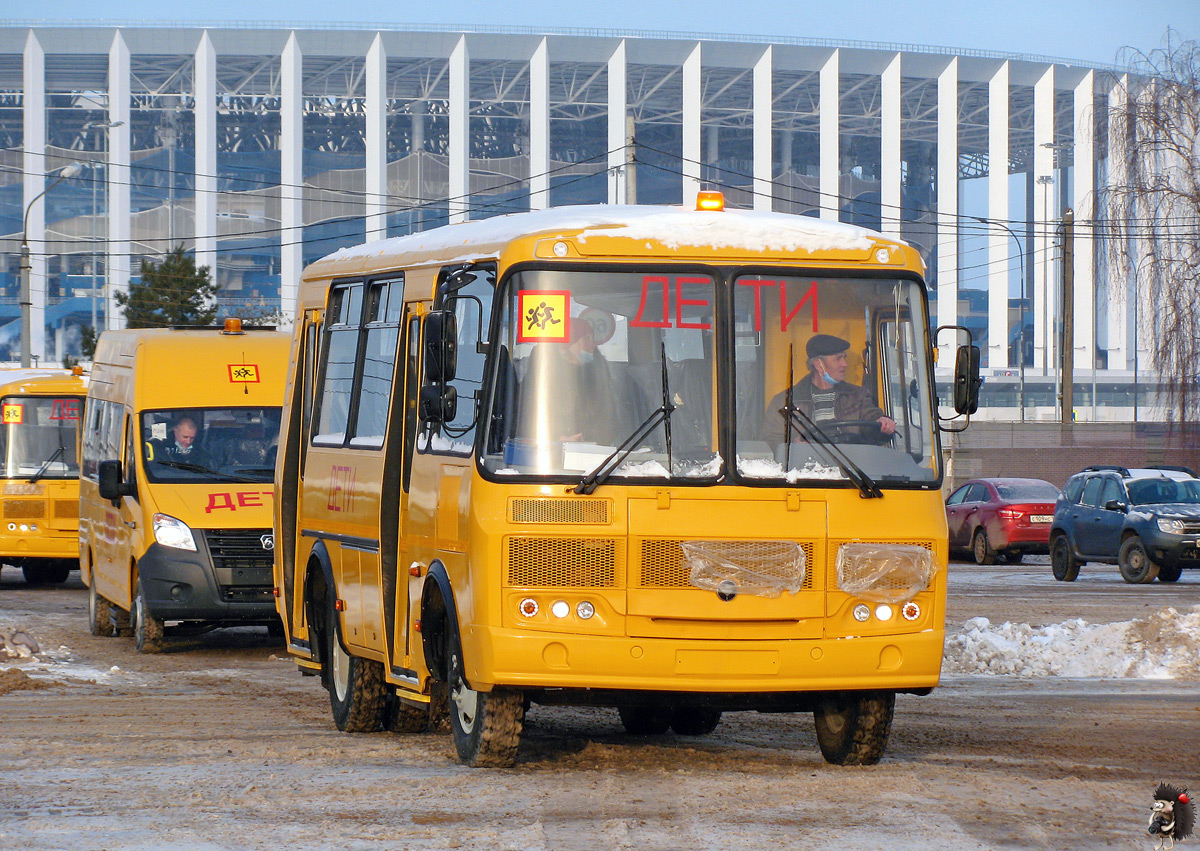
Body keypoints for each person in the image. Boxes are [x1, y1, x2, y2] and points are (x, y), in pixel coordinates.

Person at [761, 333, 896, 447]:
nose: (845, 364)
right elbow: (771, 440)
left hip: (851, 467)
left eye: (844, 357)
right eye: (838, 359)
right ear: (819, 365)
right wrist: (793, 445)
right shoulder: (785, 402)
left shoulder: (858, 395)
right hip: (804, 472)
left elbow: (870, 417)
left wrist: (881, 422)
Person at [519, 319, 620, 445]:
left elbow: (610, 424)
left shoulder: (597, 380)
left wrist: (586, 438)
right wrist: (556, 438)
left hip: (591, 457)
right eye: (587, 339)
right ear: (568, 344)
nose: (593, 345)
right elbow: (524, 422)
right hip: (544, 456)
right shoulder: (539, 380)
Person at [147, 416, 214, 467]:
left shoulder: (201, 451)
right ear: (176, 432)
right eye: (185, 437)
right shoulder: (161, 448)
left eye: (192, 438)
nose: (188, 441)